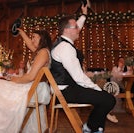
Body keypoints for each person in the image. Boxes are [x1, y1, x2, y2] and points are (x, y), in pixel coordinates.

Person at [50, 4, 116, 133]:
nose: (78, 30)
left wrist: (84, 14)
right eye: (75, 28)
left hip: (67, 88)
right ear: (67, 30)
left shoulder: (63, 42)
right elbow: (79, 77)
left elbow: (77, 26)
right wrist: (97, 89)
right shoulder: (66, 48)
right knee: (108, 99)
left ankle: (95, 128)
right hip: (65, 92)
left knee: (104, 99)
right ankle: (90, 128)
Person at [0, 29, 52, 133]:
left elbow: (30, 77)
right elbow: (30, 44)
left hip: (36, 88)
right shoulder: (40, 51)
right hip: (32, 85)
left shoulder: (43, 53)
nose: (32, 40)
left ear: (42, 39)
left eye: (34, 37)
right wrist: (21, 32)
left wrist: (13, 79)